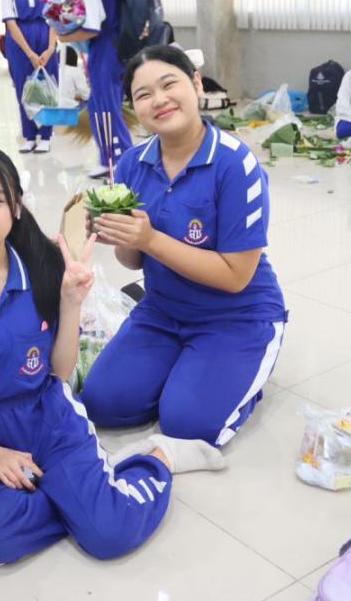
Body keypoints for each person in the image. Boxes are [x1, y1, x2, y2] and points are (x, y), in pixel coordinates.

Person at [0, 146, 226, 566]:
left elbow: (60, 370)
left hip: (49, 421)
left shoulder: (42, 269)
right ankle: (82, 497)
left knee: (110, 534)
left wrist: (71, 304)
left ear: (16, 207)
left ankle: (156, 459)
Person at [81, 46, 287, 447]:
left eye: (168, 84)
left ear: (195, 83)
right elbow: (132, 260)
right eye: (143, 94)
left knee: (188, 426)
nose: (159, 100)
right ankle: (187, 368)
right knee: (102, 402)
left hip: (235, 315)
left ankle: (244, 366)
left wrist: (150, 239)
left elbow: (236, 277)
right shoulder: (132, 164)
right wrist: (119, 235)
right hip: (163, 309)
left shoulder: (235, 165)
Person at [59, 0, 133, 177]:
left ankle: (122, 160)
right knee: (101, 107)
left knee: (106, 109)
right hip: (117, 51)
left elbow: (91, 28)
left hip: (105, 53)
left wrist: (64, 37)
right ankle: (109, 159)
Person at [2, 0, 59, 154]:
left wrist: (50, 48)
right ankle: (29, 136)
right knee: (24, 89)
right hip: (20, 45)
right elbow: (11, 23)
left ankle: (46, 135)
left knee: (47, 88)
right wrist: (30, 54)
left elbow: (55, 18)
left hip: (45, 40)